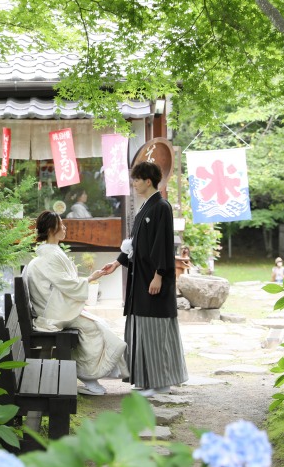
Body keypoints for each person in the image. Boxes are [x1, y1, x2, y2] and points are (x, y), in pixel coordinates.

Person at [101, 161, 188, 397]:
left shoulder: (161, 206)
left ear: (148, 181)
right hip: (141, 278)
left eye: (137, 180)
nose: (134, 184)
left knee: (155, 331)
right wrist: (117, 262)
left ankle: (160, 384)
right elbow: (135, 244)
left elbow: (163, 244)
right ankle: (147, 380)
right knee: (142, 329)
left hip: (153, 279)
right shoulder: (146, 207)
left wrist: (159, 275)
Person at [24, 211, 129, 396]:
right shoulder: (51, 255)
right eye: (61, 224)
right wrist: (90, 278)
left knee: (99, 324)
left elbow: (64, 283)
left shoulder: (50, 252)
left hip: (54, 308)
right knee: (95, 328)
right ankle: (89, 377)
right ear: (51, 229)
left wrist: (86, 283)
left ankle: (91, 376)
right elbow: (67, 284)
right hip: (53, 313)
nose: (64, 227)